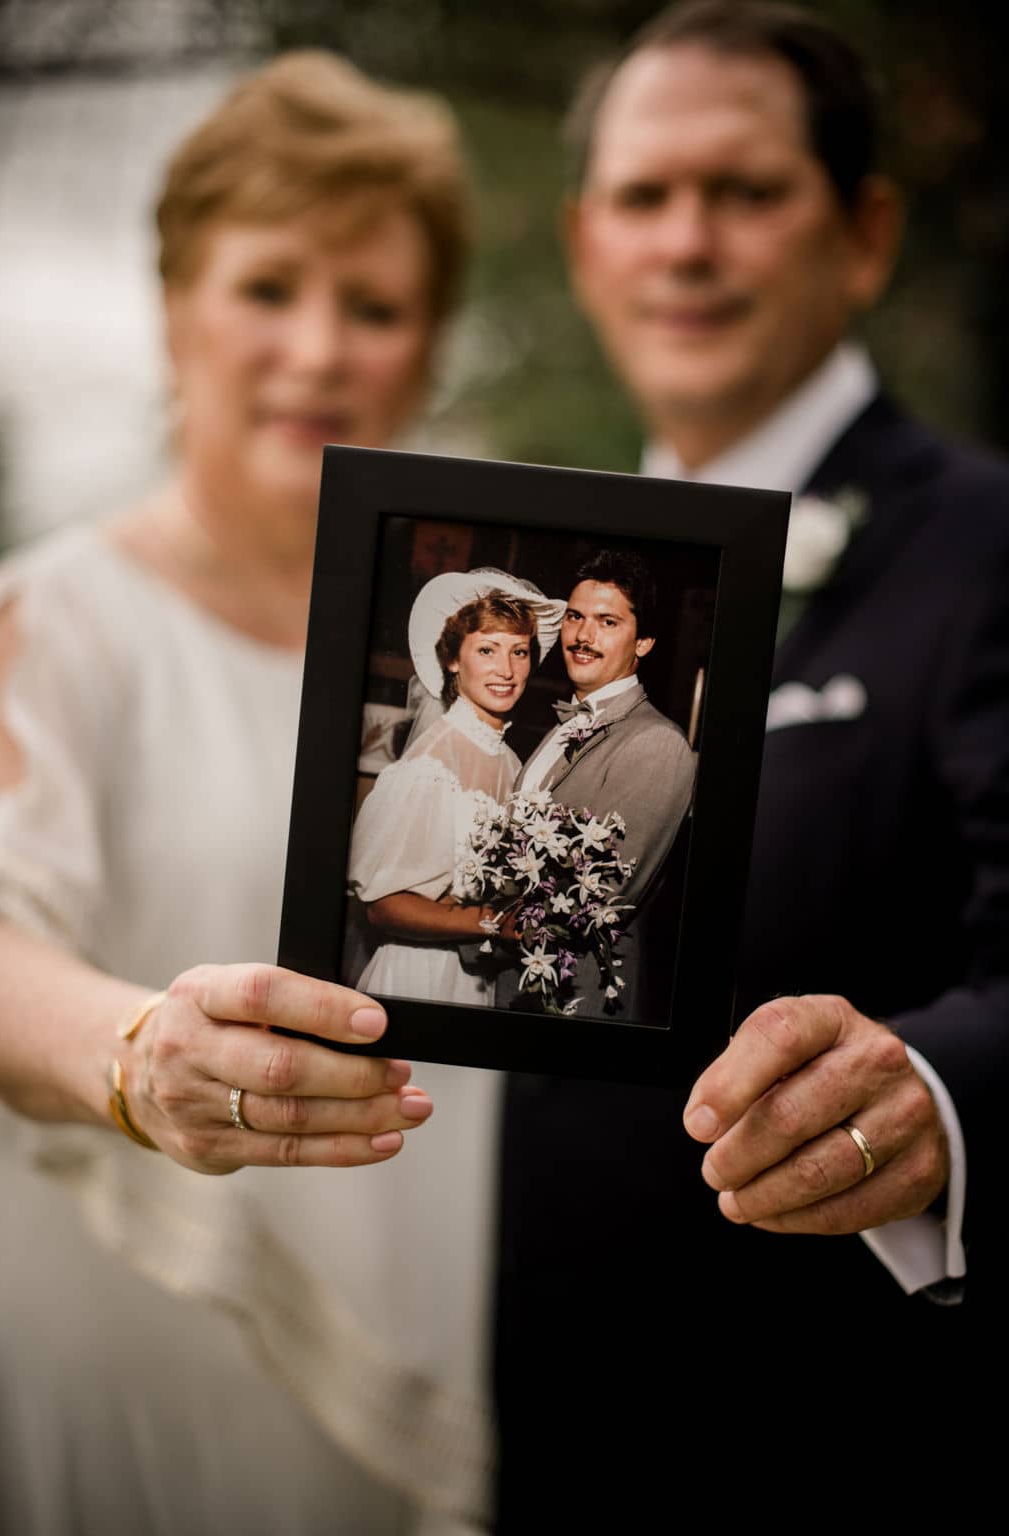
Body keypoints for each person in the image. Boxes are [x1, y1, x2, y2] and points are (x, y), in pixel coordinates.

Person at [494, 2, 1009, 1520]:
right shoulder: (550, 591)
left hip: (865, 1435)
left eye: (747, 191)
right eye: (646, 200)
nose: (687, 243)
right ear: (589, 249)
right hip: (556, 1418)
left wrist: (938, 1096)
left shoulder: (989, 548)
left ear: (863, 232)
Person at [0, 52, 499, 1534]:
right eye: (270, 287)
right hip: (142, 1360)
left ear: (431, 341)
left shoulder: (483, 649)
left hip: (437, 1308)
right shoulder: (59, 620)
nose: (320, 347)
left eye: (376, 305)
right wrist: (139, 1053)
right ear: (173, 312)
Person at [349, 571, 565, 1005]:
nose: (506, 670)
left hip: (478, 983)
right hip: (418, 977)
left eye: (519, 652)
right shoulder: (429, 764)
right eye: (487, 650)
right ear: (452, 660)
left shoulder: (513, 762)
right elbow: (383, 907)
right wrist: (488, 922)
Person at [509, 549, 695, 1017]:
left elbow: (601, 897)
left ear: (644, 642)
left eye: (608, 622)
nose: (583, 636)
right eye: (575, 617)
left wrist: (470, 925)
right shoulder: (563, 724)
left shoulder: (658, 744)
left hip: (576, 999)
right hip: (511, 984)